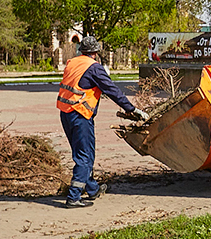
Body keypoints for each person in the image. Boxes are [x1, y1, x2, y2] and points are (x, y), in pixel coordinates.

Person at [57, 36, 148, 208]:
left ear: (82, 50)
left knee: (83, 153)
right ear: (96, 52)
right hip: (80, 114)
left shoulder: (73, 62)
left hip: (66, 113)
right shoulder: (94, 68)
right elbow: (112, 90)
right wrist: (131, 109)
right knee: (84, 157)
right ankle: (74, 197)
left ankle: (93, 189)